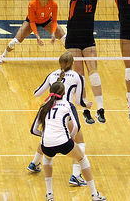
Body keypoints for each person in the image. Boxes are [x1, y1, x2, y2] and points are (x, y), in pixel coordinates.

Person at [30, 82, 106, 201]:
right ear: (64, 93)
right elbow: (76, 126)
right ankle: (94, 195)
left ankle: (49, 194)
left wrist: (45, 136)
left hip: (47, 144)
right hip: (64, 142)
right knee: (82, 158)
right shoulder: (68, 105)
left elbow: (33, 130)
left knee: (47, 158)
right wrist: (70, 137)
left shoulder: (44, 105)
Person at [28, 51, 93, 188]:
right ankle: (75, 176)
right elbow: (78, 100)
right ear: (73, 63)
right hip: (66, 113)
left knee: (47, 138)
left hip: (50, 112)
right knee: (80, 144)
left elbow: (36, 93)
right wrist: (85, 104)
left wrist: (38, 89)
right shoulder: (78, 77)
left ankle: (34, 163)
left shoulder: (52, 75)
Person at [66, 0, 107, 125]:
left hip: (88, 40)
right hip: (74, 41)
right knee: (80, 76)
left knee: (94, 74)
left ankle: (100, 108)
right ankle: (85, 110)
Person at [0, 0, 66, 65]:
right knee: (15, 42)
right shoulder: (33, 3)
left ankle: (72, 58)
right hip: (32, 22)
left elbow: (54, 21)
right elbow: (32, 22)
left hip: (46, 21)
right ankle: (3, 56)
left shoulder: (53, 4)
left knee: (65, 39)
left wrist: (53, 33)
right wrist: (37, 36)